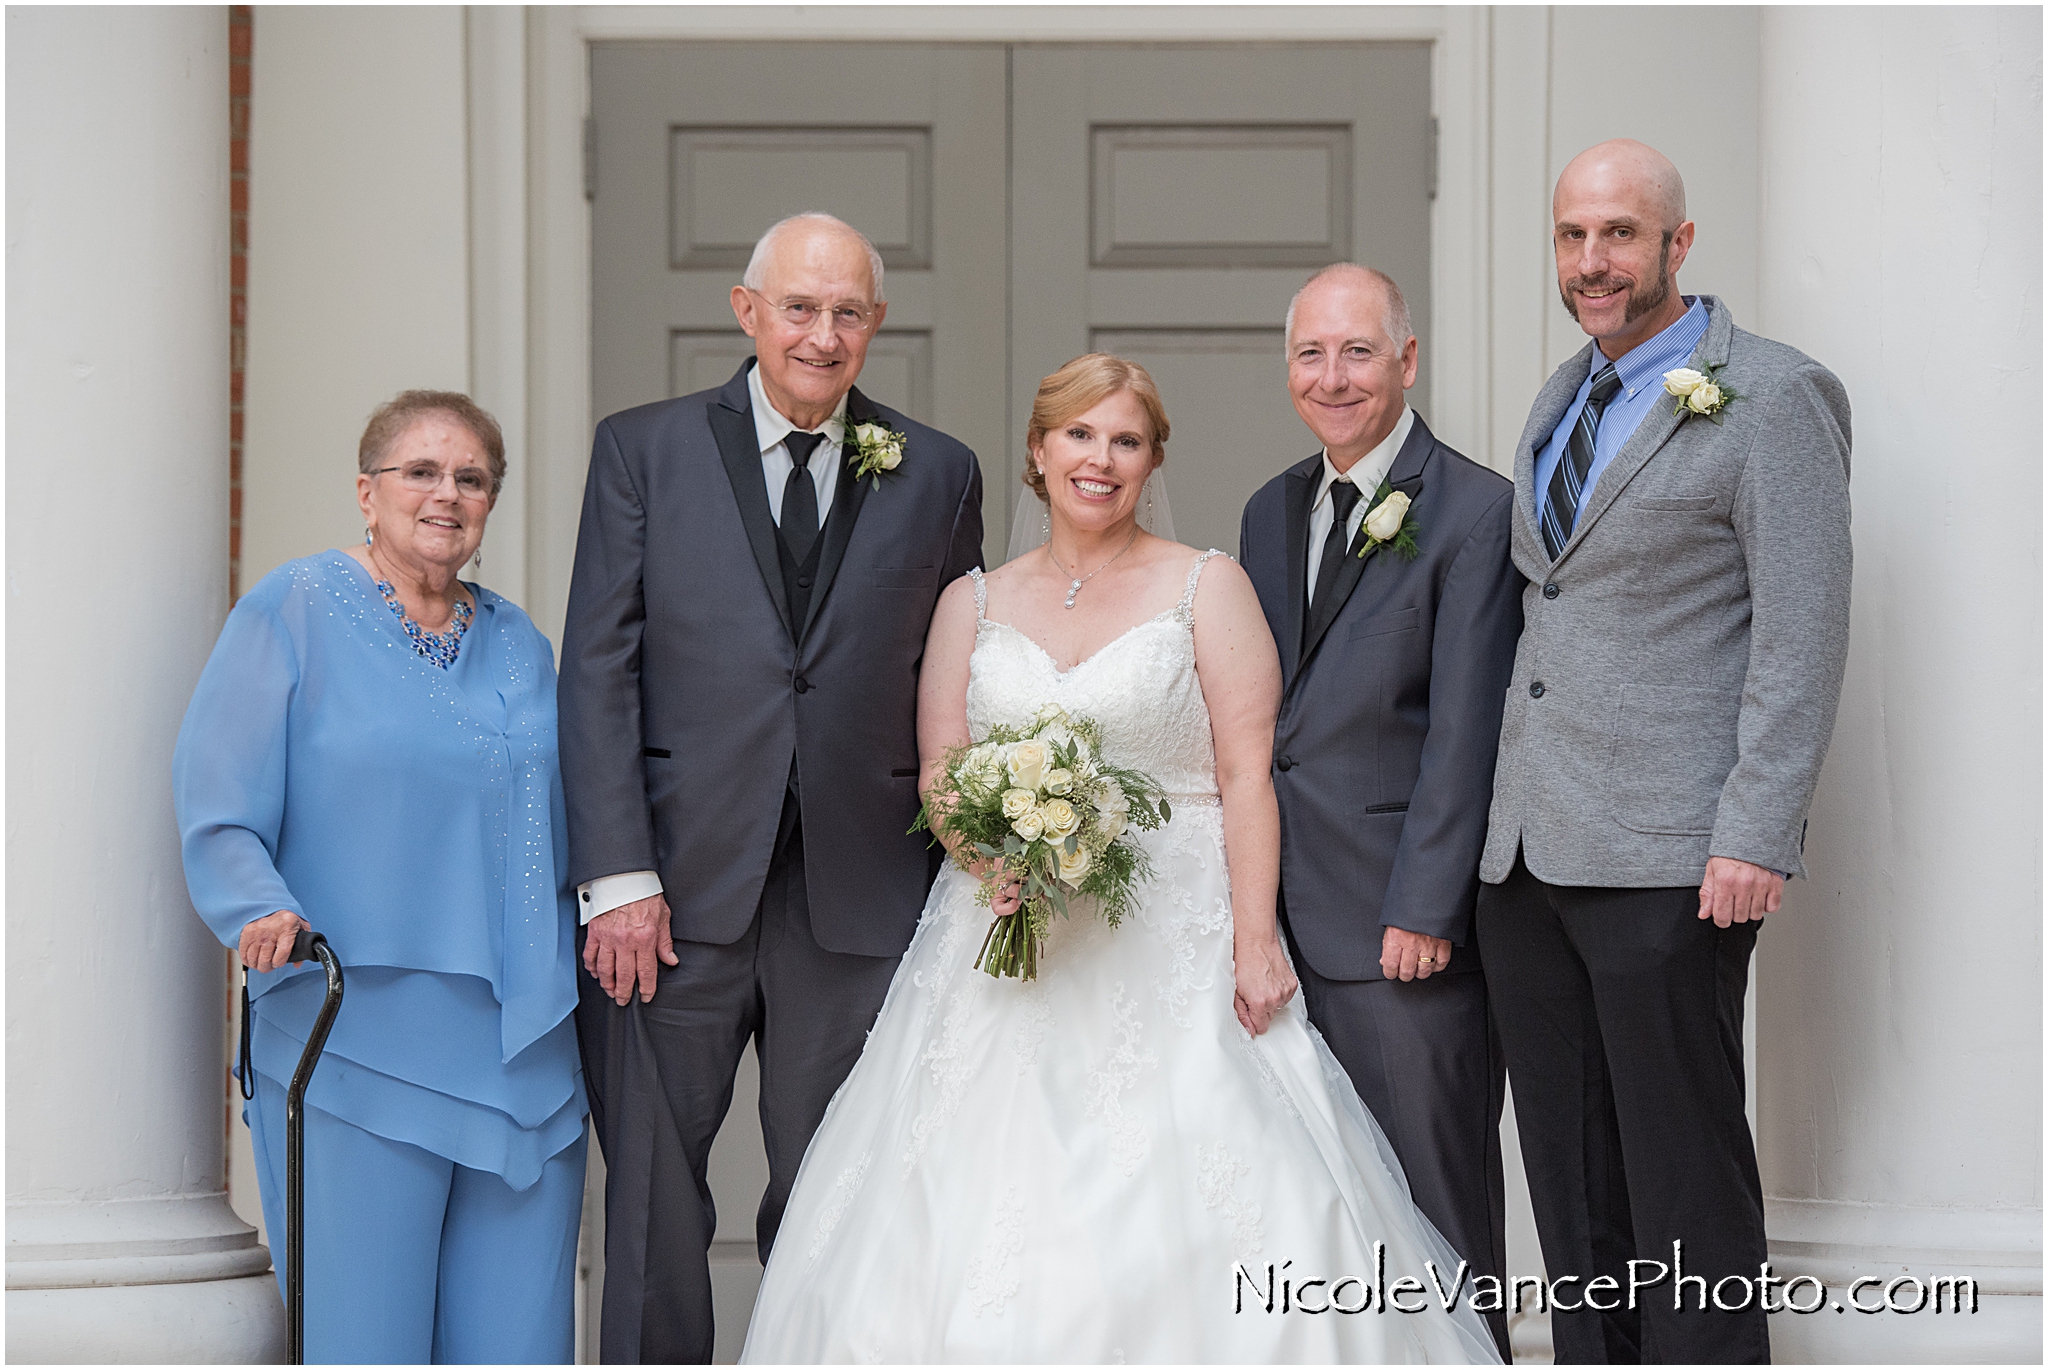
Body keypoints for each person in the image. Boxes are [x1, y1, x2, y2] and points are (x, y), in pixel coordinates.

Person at [740, 353, 1501, 1363]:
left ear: (1150, 461)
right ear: (1038, 450)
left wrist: (1254, 938)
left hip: (1173, 932)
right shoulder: (971, 598)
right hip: (1005, 932)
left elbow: (1244, 775)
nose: (1099, 460)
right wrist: (985, 853)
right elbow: (938, 767)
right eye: (1079, 435)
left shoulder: (1205, 583)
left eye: (1125, 440)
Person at [558, 212, 984, 1362]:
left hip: (860, 895)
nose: (822, 332)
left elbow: (963, 676)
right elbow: (596, 669)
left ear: (875, 324)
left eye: (847, 311)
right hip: (668, 897)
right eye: (798, 306)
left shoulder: (937, 469)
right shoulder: (640, 451)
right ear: (747, 313)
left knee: (835, 1191)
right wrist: (614, 874)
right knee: (649, 1198)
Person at [1478, 140, 1853, 1364]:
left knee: (1681, 1175)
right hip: (1529, 854)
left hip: (1670, 857)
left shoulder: (1773, 395)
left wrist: (1753, 830)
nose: (1592, 261)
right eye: (1571, 235)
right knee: (1571, 1183)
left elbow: (1799, 634)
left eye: (1619, 235)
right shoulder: (1565, 389)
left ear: (1676, 245)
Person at [173, 391, 587, 1363]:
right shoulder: (296, 608)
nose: (447, 493)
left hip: (523, 1050)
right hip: (351, 1030)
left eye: (471, 477)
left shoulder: (522, 644)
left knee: (518, 1344)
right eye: (421, 471)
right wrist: (254, 903)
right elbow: (219, 795)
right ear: (367, 491)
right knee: (368, 1342)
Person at [1238, 264, 1523, 1358]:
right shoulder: (1270, 509)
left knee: (1436, 1209)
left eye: (1357, 351)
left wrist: (1425, 906)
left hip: (1401, 928)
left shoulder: (1472, 507)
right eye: (1310, 353)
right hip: (1281, 925)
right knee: (1317, 1214)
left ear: (1407, 360)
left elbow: (1466, 730)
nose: (1332, 375)